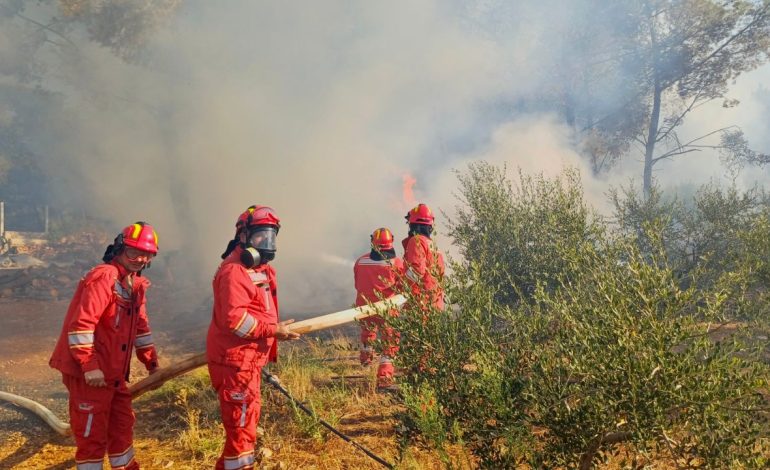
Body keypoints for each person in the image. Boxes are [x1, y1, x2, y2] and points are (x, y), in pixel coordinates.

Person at [49, 222, 161, 470]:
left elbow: (141, 329)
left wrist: (153, 365)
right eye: (133, 252)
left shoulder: (134, 285)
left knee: (122, 428)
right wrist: (90, 366)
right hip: (89, 375)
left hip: (113, 375)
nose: (140, 258)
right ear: (120, 248)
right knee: (92, 438)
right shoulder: (104, 277)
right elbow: (81, 326)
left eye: (146, 254)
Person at [207, 205, 300, 470]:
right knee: (241, 434)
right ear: (243, 236)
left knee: (243, 428)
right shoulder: (234, 271)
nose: (267, 242)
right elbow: (234, 321)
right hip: (235, 364)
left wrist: (272, 331)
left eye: (271, 235)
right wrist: (274, 331)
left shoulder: (258, 270)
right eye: (261, 235)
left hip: (247, 362)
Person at [353, 227, 405, 390]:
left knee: (368, 334)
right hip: (387, 309)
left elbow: (357, 284)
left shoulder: (360, 261)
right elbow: (402, 285)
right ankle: (384, 378)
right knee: (390, 341)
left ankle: (366, 362)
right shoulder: (396, 262)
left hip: (364, 307)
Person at [402, 203, 446, 311]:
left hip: (421, 303)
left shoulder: (417, 240)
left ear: (413, 224)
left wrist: (401, 284)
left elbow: (417, 270)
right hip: (435, 302)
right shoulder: (432, 245)